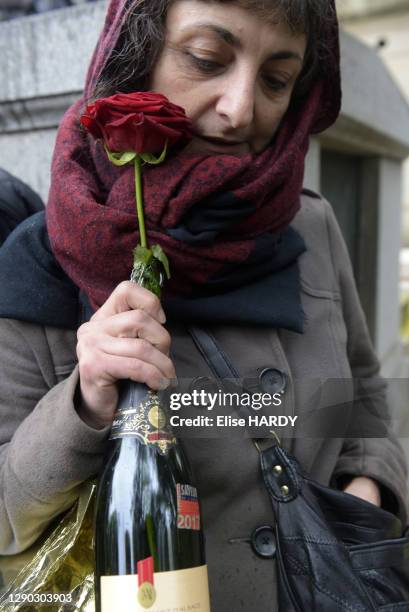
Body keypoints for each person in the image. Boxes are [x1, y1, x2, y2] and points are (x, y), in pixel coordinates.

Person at [0, 0, 407, 609]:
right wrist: (83, 403)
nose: (241, 108)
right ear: (135, 57)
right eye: (206, 59)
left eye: (276, 79)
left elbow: (366, 399)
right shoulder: (40, 262)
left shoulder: (311, 227)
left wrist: (368, 489)